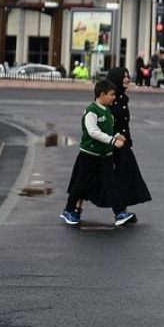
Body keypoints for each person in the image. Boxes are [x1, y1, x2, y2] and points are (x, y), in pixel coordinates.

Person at [60, 80, 135, 227]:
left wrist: (117, 135)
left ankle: (119, 213)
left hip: (105, 156)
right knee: (81, 184)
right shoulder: (91, 111)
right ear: (102, 94)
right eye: (112, 95)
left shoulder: (107, 111)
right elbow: (93, 132)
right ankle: (68, 210)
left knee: (110, 184)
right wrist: (113, 142)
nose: (114, 97)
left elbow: (109, 130)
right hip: (89, 155)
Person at [105, 67, 150, 223]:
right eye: (123, 76)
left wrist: (127, 140)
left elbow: (125, 123)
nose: (127, 79)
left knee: (126, 175)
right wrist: (113, 138)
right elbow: (104, 122)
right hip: (110, 144)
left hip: (123, 144)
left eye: (128, 76)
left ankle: (121, 210)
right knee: (93, 179)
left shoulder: (123, 98)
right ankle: (73, 208)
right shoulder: (109, 98)